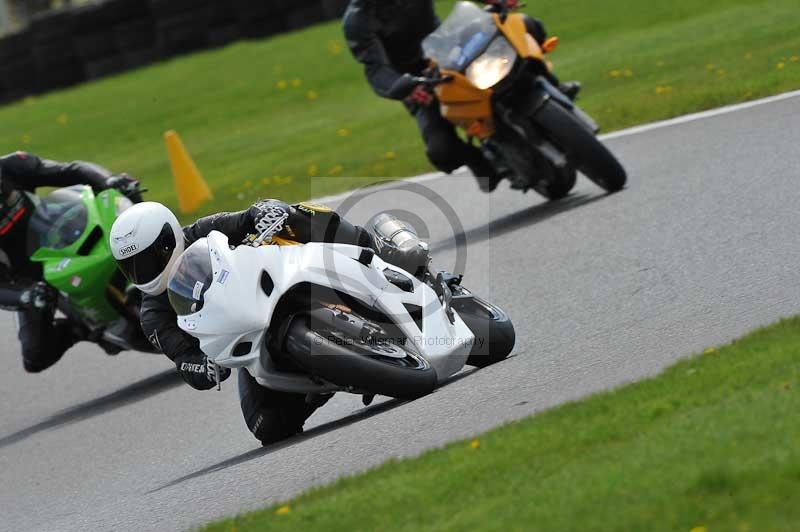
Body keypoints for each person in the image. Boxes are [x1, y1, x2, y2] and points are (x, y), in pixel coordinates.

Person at [110, 199, 429, 445]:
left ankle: (379, 251)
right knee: (267, 426)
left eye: (146, 260)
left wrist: (266, 211)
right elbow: (183, 359)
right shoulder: (153, 315)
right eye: (131, 267)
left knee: (297, 215)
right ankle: (326, 376)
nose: (141, 273)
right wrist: (204, 367)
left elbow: (248, 216)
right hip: (251, 334)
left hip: (281, 278)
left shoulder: (202, 231)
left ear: (168, 241)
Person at [343, 0, 580, 192]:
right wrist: (403, 86)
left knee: (523, 25)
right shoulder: (357, 21)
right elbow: (375, 69)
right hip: (417, 82)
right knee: (441, 149)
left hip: (448, 48)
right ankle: (482, 162)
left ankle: (553, 85)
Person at [0, 151, 141, 373]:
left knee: (125, 194)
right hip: (30, 279)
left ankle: (175, 250)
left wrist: (109, 180)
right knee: (35, 356)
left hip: (58, 236)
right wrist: (23, 296)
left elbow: (72, 171)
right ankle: (79, 329)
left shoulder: (13, 165)